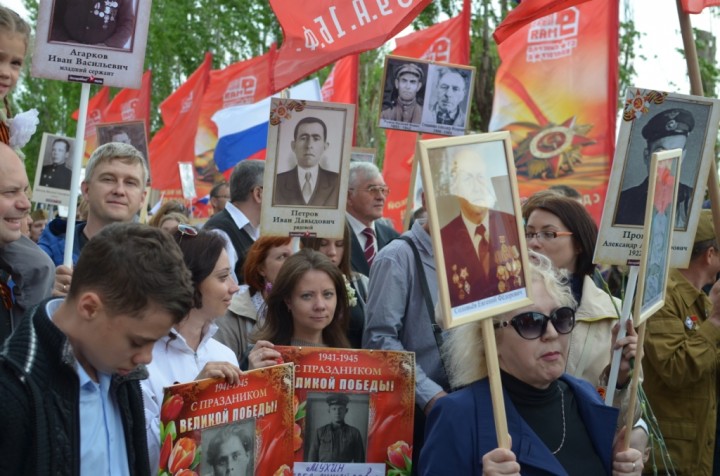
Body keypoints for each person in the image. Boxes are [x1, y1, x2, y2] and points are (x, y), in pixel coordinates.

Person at [419, 254, 644, 475]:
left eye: (561, 317)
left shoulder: (583, 395)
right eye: (530, 323)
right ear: (490, 340)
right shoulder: (457, 416)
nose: (552, 333)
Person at [0, 222, 195, 476]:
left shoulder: (123, 374)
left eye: (154, 343)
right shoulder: (14, 393)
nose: (146, 359)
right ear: (90, 307)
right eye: (137, 341)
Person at [523, 193, 648, 453]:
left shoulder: (614, 315)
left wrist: (621, 376)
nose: (533, 243)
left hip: (582, 453)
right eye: (528, 233)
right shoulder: (506, 305)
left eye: (548, 234)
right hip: (521, 446)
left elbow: (626, 419)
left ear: (578, 244)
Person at [142, 227, 241, 472]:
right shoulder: (141, 358)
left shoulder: (224, 355)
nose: (234, 287)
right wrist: (192, 398)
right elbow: (145, 456)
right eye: (222, 277)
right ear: (190, 282)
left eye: (232, 276)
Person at [363, 206, 449, 469]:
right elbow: (379, 340)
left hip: (464, 403)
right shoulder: (397, 257)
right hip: (422, 411)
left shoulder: (470, 253)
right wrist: (431, 396)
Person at [642, 209, 720, 475]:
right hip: (670, 457)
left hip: (701, 448)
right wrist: (717, 322)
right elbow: (674, 368)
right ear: (710, 254)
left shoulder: (703, 302)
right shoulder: (660, 295)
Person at [0, 7, 55, 320]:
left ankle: (24, 339)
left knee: (40, 266)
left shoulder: (5, 113)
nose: (6, 72)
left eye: (15, 63)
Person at [39, 142, 148, 268]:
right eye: (108, 179)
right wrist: (47, 285)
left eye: (130, 183)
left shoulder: (156, 261)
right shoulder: (47, 253)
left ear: (142, 198)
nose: (119, 190)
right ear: (86, 190)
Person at [441, 148, 523, 306]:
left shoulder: (511, 224)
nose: (476, 186)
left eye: (480, 177)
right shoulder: (444, 238)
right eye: (467, 179)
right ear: (454, 188)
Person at [246, 249, 350, 370]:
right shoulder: (264, 357)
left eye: (327, 294)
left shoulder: (348, 358)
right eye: (307, 296)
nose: (320, 305)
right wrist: (253, 376)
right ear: (288, 300)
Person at [213, 236, 294, 361]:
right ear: (261, 269)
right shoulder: (232, 313)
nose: (292, 264)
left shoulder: (305, 309)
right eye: (282, 257)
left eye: (294, 257)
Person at [615, 108, 695, 228]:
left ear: (683, 156)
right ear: (647, 156)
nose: (668, 161)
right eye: (661, 152)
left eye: (675, 154)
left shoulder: (693, 201)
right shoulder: (622, 202)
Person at [302, 223, 369, 348]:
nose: (332, 252)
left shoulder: (361, 283)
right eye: (323, 244)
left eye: (339, 244)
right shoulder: (297, 283)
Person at [204, 160, 264, 284]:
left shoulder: (259, 229)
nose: (280, 198)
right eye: (275, 191)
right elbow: (225, 293)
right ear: (258, 194)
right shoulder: (220, 232)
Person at [273, 117, 340, 208]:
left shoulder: (337, 182)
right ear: (293, 145)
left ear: (325, 146)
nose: (309, 145)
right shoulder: (276, 182)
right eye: (303, 138)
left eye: (316, 139)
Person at [346, 162, 398, 276]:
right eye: (372, 189)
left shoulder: (394, 238)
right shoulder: (331, 238)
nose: (380, 197)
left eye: (383, 190)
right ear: (349, 196)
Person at [49, 0, 135, 49]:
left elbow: (127, 23)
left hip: (105, 59)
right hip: (64, 53)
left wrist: (108, 46)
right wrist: (64, 41)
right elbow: (53, 17)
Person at [307, 393, 365, 463]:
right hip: (323, 472)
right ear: (329, 411)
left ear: (346, 411)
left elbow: (360, 461)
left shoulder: (354, 433)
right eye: (334, 409)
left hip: (346, 473)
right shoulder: (320, 432)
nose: (337, 412)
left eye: (340, 409)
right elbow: (311, 460)